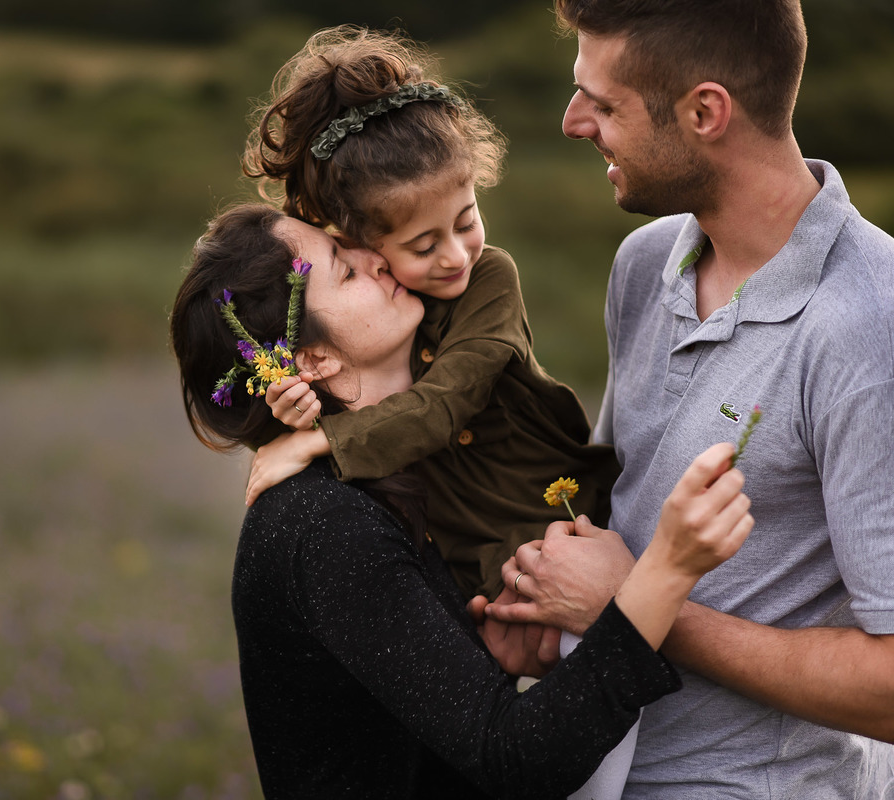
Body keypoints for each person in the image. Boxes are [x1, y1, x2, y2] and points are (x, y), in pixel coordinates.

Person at [169, 202, 755, 798]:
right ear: (316, 360)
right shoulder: (324, 522)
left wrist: (483, 654)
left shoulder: (396, 479)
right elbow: (514, 759)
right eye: (345, 268)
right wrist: (664, 573)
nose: (377, 257)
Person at [488, 1, 894, 797]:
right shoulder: (645, 263)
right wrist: (550, 614)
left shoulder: (869, 326)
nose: (573, 123)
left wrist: (634, 610)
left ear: (705, 112)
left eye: (604, 105)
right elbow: (617, 525)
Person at [239, 26, 621, 601]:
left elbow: (446, 401)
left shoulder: (490, 279)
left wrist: (320, 441)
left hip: (548, 511)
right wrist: (297, 410)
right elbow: (354, 390)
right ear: (365, 245)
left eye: (466, 221)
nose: (455, 255)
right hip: (461, 552)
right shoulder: (380, 305)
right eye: (423, 247)